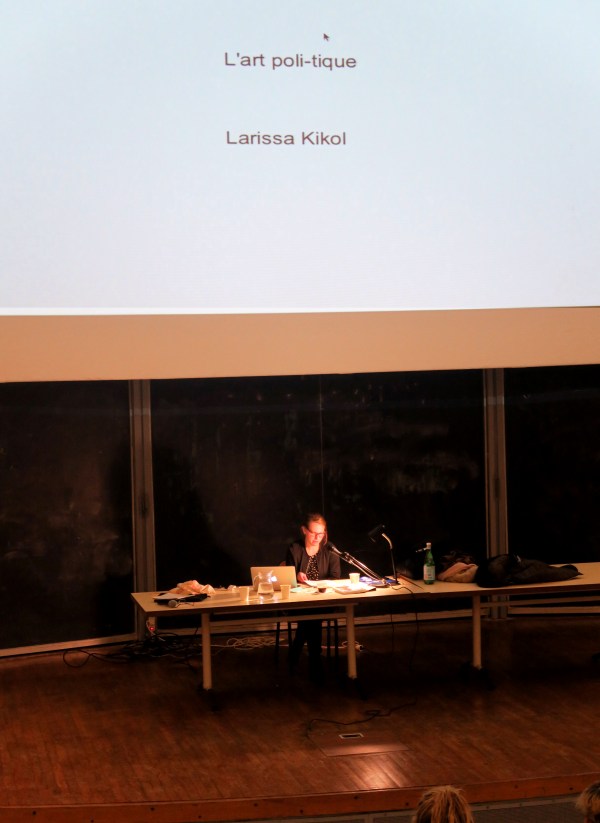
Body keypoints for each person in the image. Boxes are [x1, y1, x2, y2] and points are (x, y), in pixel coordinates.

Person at [285, 512, 341, 683]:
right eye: (313, 533)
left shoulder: (329, 549)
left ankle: (297, 651)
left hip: (323, 599)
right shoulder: (295, 549)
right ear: (304, 530)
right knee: (311, 616)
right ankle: (315, 660)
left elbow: (336, 577)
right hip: (299, 602)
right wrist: (297, 576)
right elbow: (287, 577)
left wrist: (321, 585)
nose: (317, 537)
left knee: (311, 616)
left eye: (321, 533)